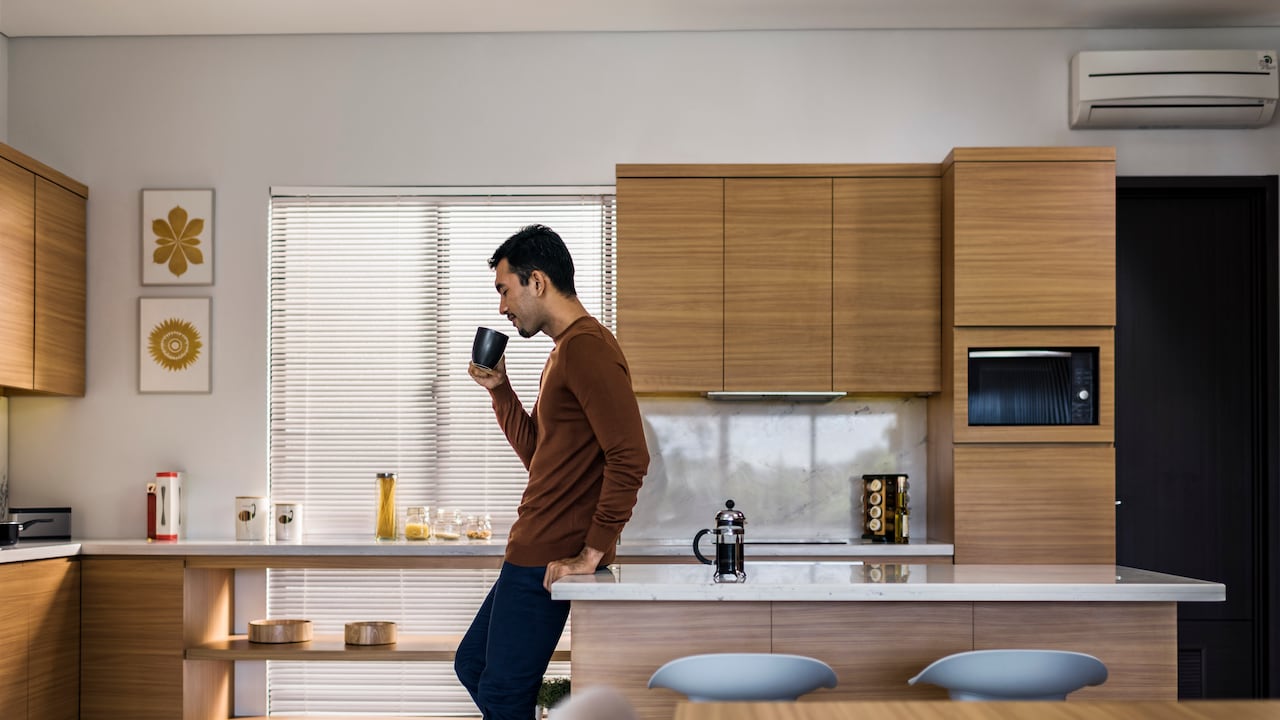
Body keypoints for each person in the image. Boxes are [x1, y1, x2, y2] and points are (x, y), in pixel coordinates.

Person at [454, 224, 649, 720]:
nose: (502, 307)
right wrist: (500, 390)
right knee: (473, 663)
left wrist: (592, 551)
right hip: (532, 547)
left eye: (504, 289)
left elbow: (629, 455)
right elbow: (541, 455)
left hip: (548, 556)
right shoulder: (563, 351)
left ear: (536, 281)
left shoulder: (587, 349)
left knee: (503, 695)